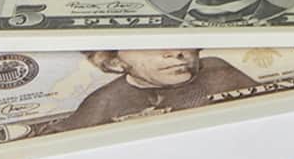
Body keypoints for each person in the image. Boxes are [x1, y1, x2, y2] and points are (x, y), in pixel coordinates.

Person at [61, 48, 250, 129]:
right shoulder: (102, 102)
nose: (176, 53)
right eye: (150, 47)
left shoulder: (216, 69)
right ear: (114, 63)